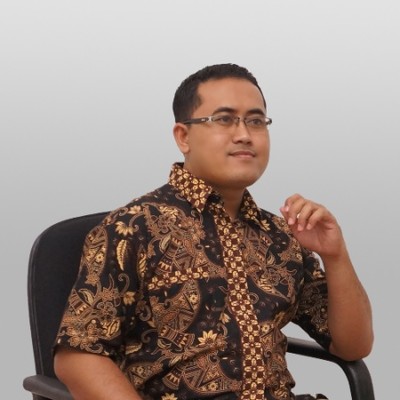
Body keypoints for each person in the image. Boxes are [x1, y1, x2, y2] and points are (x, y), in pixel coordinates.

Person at [53, 63, 373, 400]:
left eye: (256, 121)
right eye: (224, 119)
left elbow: (353, 346)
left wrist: (335, 255)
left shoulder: (281, 236)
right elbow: (77, 357)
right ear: (183, 136)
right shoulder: (133, 228)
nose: (244, 134)